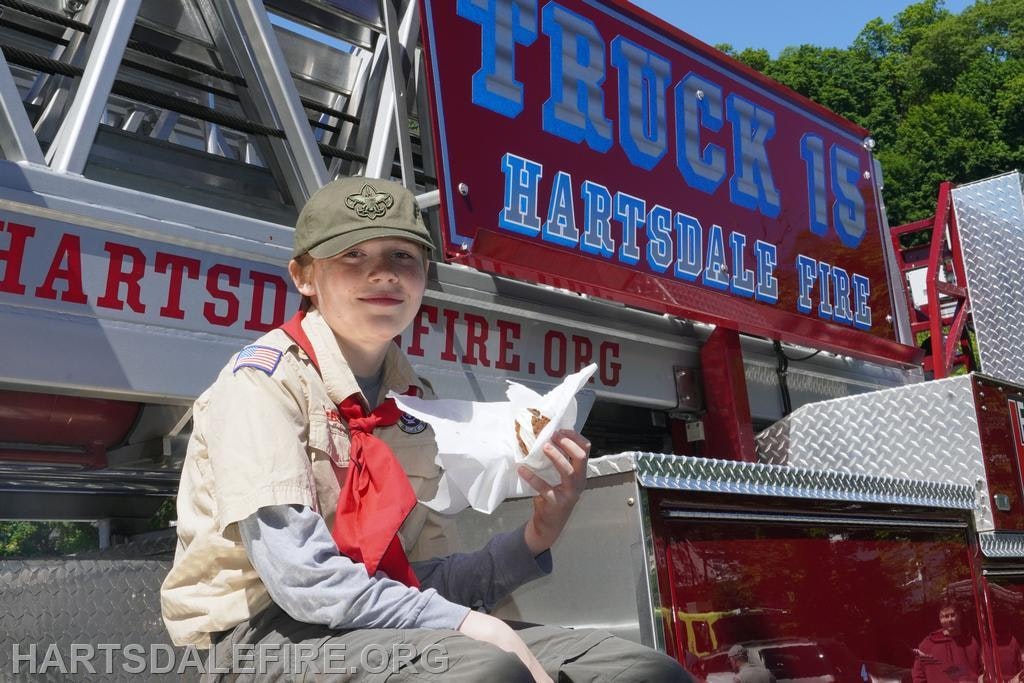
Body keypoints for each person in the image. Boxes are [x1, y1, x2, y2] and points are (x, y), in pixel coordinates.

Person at [160, 176, 690, 682]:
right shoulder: (262, 384)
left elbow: (418, 582)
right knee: (484, 669)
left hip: (374, 623)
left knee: (637, 671)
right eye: (353, 255)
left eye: (402, 257)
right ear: (303, 276)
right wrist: (472, 627)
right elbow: (304, 582)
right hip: (261, 639)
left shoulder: (414, 408)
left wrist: (537, 535)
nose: (384, 273)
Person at [912, 600, 983, 683]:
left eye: (952, 615)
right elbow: (918, 676)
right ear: (940, 619)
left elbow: (983, 670)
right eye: (945, 616)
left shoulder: (971, 641)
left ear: (959, 615)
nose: (949, 620)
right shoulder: (927, 645)